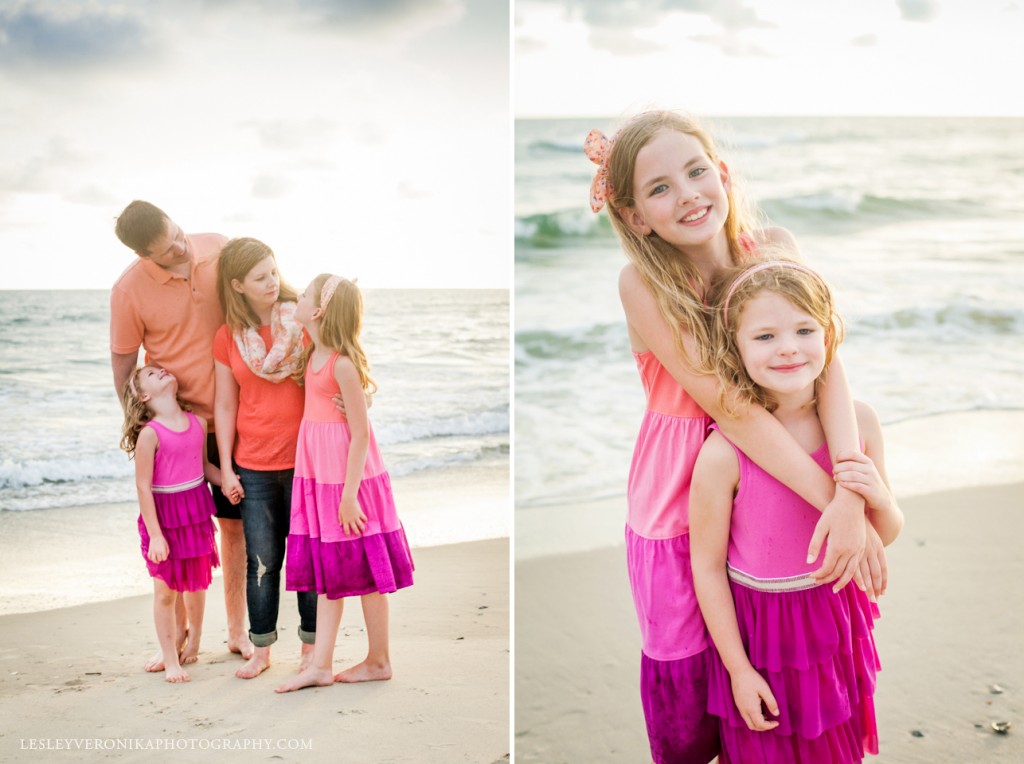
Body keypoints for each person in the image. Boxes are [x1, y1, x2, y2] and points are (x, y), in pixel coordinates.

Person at [584, 110, 887, 762]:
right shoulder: (643, 281)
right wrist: (832, 498)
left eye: (696, 171)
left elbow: (827, 359)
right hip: (679, 500)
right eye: (659, 187)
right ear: (636, 215)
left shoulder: (772, 243)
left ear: (721, 174)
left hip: (776, 479)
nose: (688, 193)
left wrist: (848, 492)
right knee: (689, 692)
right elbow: (734, 409)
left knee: (782, 680)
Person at [690, 259, 903, 762]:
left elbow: (885, 534)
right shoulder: (724, 453)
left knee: (835, 746)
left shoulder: (859, 423)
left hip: (834, 617)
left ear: (829, 336)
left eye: (805, 329)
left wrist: (881, 498)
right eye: (764, 336)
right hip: (762, 632)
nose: (788, 347)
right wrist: (739, 671)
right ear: (735, 349)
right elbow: (706, 566)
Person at [111, 200, 252, 660]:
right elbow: (124, 360)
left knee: (234, 531)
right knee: (173, 536)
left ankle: (236, 632)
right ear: (143, 255)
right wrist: (140, 421)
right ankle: (179, 640)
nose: (178, 247)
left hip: (238, 416)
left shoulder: (218, 247)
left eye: (176, 234)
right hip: (181, 429)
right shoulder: (128, 291)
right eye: (164, 250)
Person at [275, 274, 415, 693]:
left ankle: (378, 659)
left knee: (369, 571)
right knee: (330, 571)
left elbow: (361, 434)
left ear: (318, 311)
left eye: (303, 295)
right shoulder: (311, 352)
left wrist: (351, 497)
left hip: (350, 483)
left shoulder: (340, 364)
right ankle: (321, 665)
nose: (295, 297)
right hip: (321, 477)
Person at [213, 237, 318, 679]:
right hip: (253, 465)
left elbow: (334, 368)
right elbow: (224, 404)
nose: (272, 282)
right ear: (237, 285)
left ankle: (312, 648)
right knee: (262, 561)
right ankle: (261, 649)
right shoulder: (228, 337)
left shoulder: (303, 322)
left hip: (305, 461)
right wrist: (225, 469)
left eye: (274, 272)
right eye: (260, 277)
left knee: (307, 558)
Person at [119, 365, 229, 683]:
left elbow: (204, 466)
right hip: (164, 518)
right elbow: (143, 486)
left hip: (194, 512)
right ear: (143, 395)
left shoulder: (199, 423)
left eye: (161, 370)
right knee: (166, 591)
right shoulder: (150, 434)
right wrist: (155, 535)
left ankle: (194, 638)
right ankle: (170, 659)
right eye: (152, 374)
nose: (161, 372)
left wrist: (228, 482)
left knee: (196, 582)